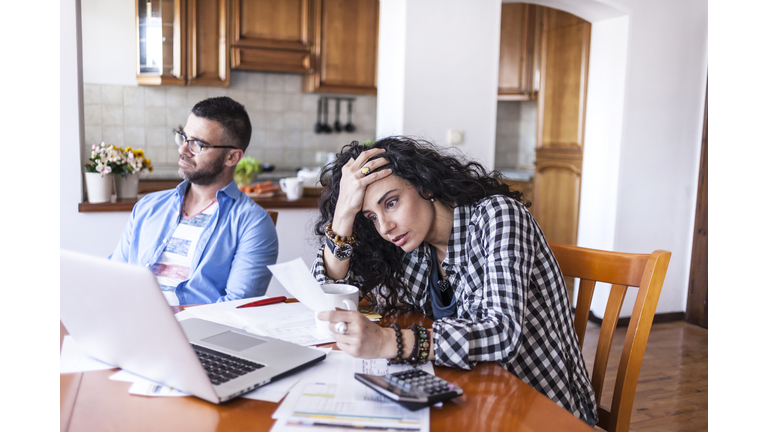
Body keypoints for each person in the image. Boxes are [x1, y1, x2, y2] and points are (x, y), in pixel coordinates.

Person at [312, 137, 598, 425]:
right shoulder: (412, 248)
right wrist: (343, 214)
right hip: (474, 398)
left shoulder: (498, 216)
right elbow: (325, 293)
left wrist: (390, 342)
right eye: (372, 216)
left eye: (392, 202)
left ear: (425, 185)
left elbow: (502, 332)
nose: (385, 227)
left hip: (541, 409)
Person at [110, 97, 278, 305]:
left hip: (194, 334)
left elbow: (237, 307)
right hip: (130, 323)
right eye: (183, 137)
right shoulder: (148, 207)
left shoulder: (253, 223)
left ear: (232, 157)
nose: (183, 149)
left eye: (197, 144)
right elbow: (114, 276)